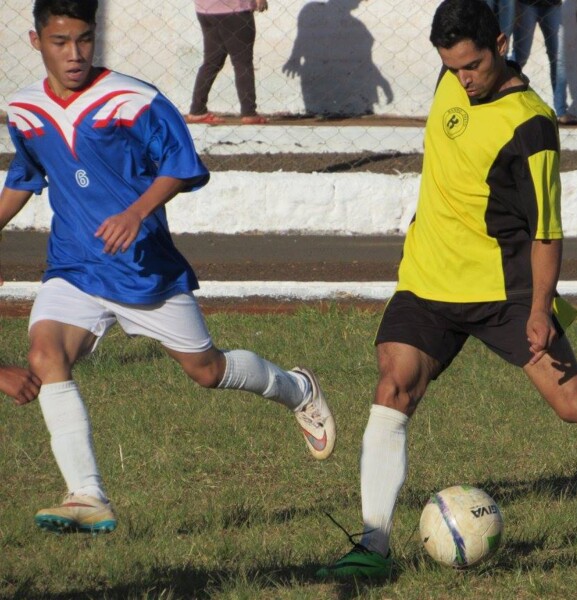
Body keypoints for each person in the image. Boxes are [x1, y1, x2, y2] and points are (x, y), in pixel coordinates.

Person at [316, 0, 577, 580]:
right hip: (428, 277)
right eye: (451, 66)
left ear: (499, 42)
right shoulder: (453, 74)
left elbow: (546, 232)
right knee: (394, 387)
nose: (462, 79)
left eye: (471, 65)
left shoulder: (531, 126)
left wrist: (539, 310)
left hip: (505, 290)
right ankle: (373, 544)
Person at [1, 0, 335, 535]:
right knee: (45, 355)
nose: (74, 54)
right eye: (61, 42)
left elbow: (180, 165)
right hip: (74, 266)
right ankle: (86, 494)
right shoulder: (23, 110)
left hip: (143, 271)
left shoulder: (133, 100)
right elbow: (26, 172)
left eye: (85, 39)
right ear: (35, 41)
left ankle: (297, 389)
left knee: (207, 371)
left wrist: (136, 212)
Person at [187, 0, 269, 124]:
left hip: (205, 9)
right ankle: (249, 113)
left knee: (212, 61)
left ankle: (197, 110)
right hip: (234, 10)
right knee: (242, 62)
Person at [512, 0, 577, 124]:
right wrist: (514, 6)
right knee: (521, 56)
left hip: (553, 6)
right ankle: (506, 99)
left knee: (559, 59)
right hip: (525, 4)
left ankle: (561, 111)